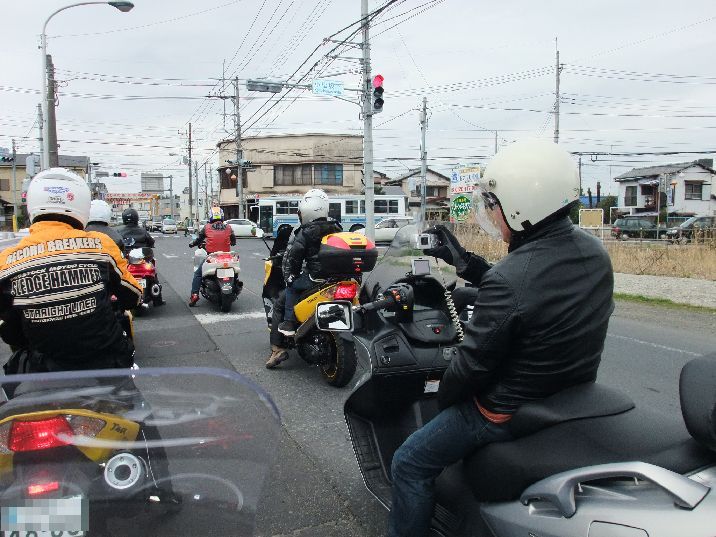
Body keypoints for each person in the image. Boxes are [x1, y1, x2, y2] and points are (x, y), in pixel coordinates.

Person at [387, 139, 615, 537]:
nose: (492, 212)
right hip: (567, 394)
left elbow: (469, 369)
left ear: (523, 205)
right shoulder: (594, 252)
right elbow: (528, 284)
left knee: (408, 462)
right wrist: (465, 262)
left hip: (502, 411)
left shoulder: (513, 277)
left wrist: (443, 400)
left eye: (495, 203)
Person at [0, 168, 142, 372]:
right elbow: (133, 296)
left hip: (42, 368)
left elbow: (8, 323)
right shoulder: (100, 245)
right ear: (82, 204)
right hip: (105, 363)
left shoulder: (7, 260)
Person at [265, 189, 342, 368]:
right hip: (335, 277)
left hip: (315, 278)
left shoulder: (305, 231)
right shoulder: (336, 227)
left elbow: (294, 258)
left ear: (306, 211)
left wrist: (290, 277)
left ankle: (281, 340)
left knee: (282, 300)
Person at [188, 206, 235, 306]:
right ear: (222, 216)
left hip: (212, 257)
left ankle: (194, 295)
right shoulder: (228, 227)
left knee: (198, 274)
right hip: (226, 257)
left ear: (210, 216)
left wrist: (192, 244)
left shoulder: (207, 227)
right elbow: (233, 240)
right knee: (235, 272)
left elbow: (199, 240)